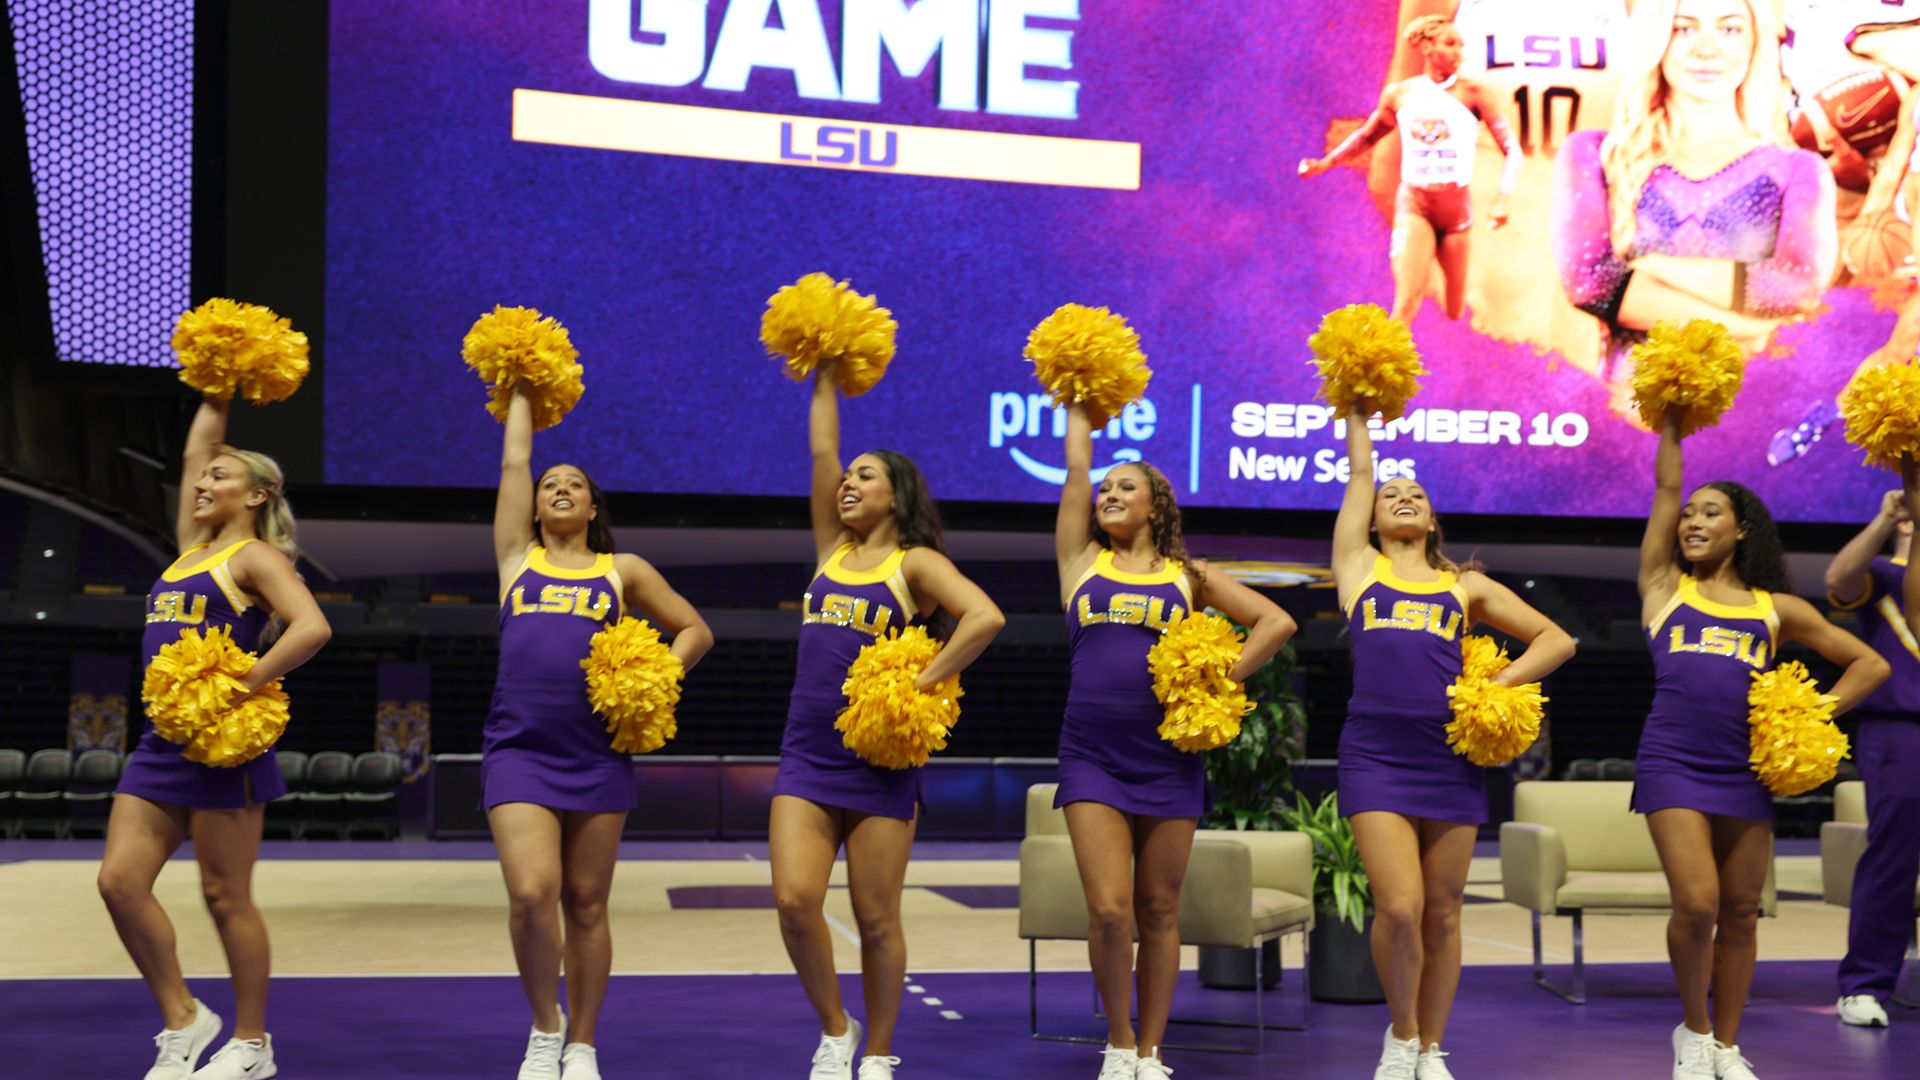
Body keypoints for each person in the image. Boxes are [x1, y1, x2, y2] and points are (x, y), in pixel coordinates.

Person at [1633, 407, 1889, 1079]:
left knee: (1742, 913)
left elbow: (1871, 665)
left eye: (1709, 513)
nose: (1691, 521)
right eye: (1689, 514)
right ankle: (1691, 1032)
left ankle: (1726, 1046)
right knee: (1697, 902)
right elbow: (1663, 494)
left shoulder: (1774, 608)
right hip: (1672, 762)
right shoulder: (1664, 588)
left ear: (1741, 529)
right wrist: (1672, 429)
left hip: (1745, 770)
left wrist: (1811, 717)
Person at [1052, 403, 1299, 1080]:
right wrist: (1079, 403)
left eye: (1124, 486)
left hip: (1166, 757)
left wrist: (1222, 679)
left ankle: (1153, 1051)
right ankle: (1120, 1041)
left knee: (1159, 907)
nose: (1108, 494)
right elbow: (1076, 470)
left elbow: (1275, 623)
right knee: (1108, 909)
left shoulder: (1189, 576)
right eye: (1106, 489)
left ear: (1156, 506)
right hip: (1092, 755)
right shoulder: (1080, 562)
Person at [1331, 406, 1577, 1080]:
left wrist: (1499, 685)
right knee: (1401, 907)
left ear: (1433, 521)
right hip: (1375, 754)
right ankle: (1402, 1035)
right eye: (1391, 496)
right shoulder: (1358, 568)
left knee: (1442, 914)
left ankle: (1433, 1049)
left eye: (1416, 495)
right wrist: (1358, 411)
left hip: (1451, 759)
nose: (1402, 498)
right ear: (1373, 521)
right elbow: (1359, 471)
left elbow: (1558, 640)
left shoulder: (1463, 586)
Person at [773, 368, 1005, 1080]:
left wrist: (922, 679)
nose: (847, 483)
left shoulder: (916, 563)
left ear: (895, 495)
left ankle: (879, 1051)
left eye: (864, 477)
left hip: (881, 762)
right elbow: (820, 455)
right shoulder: (831, 552)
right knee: (794, 901)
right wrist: (820, 370)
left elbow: (985, 617)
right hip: (807, 755)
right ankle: (836, 1030)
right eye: (848, 478)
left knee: (877, 919)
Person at [98, 395, 333, 1080]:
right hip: (161, 744)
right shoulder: (190, 551)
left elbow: (312, 627)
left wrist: (245, 682)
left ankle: (253, 1044)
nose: (203, 483)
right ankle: (183, 1018)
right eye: (203, 479)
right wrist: (218, 388)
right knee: (118, 882)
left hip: (225, 749)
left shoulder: (256, 558)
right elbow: (196, 449)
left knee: (225, 896)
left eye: (221, 477)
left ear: (256, 494)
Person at [486, 386, 714, 1080]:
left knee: (586, 901)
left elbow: (695, 631)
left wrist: (656, 679)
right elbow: (514, 462)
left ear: (591, 508)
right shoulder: (516, 561)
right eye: (550, 485)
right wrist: (521, 388)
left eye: (573, 485)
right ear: (535, 507)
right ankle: (544, 1028)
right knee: (532, 893)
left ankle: (583, 1043)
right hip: (519, 750)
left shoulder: (624, 572)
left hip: (597, 754)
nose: (558, 489)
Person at [1552, 0, 1838, 420]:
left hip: (1752, 420)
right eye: (1684, 29)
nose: (1707, 49)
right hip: (1626, 420)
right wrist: (1748, 327)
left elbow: (1798, 288)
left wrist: (1653, 267)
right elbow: (1589, 284)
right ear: (1657, 40)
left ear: (1755, 40)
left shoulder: (1797, 169)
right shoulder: (1593, 154)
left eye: (1729, 30)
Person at [1299, 12, 1525, 325]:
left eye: (1461, 45)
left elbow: (1512, 150)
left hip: (1456, 214)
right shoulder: (1400, 95)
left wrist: (1503, 198)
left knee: (1455, 308)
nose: (1459, 52)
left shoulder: (1474, 94)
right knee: (1405, 304)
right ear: (1427, 47)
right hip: (1415, 206)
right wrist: (1327, 163)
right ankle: (1381, 370)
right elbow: (1368, 136)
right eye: (1450, 44)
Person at [1824, 487, 1920, 1028]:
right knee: (1895, 858)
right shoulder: (1882, 576)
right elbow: (1837, 581)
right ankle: (1864, 984)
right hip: (1902, 732)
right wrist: (1886, 517)